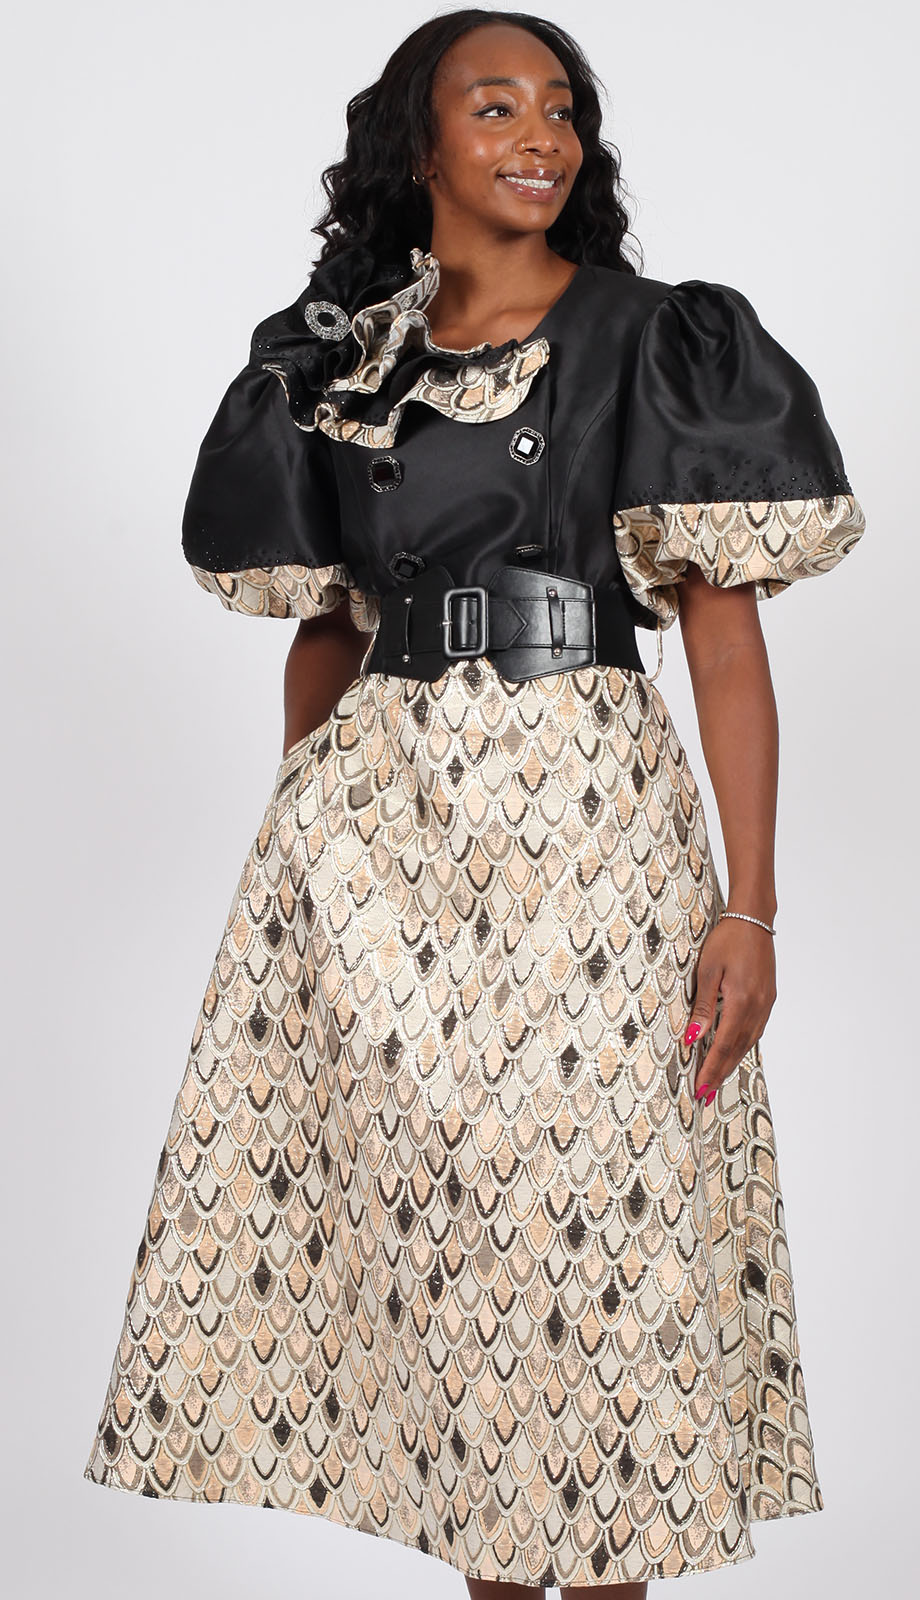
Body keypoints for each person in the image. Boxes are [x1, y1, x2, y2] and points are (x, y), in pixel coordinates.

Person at [82, 11, 865, 1597]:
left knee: (608, 1265)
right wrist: (304, 854)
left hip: (589, 821)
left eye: (560, 108)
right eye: (494, 106)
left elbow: (724, 636)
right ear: (418, 142)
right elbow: (327, 630)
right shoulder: (339, 362)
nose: (540, 136)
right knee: (453, 1276)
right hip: (381, 843)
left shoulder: (655, 337)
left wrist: (751, 906)